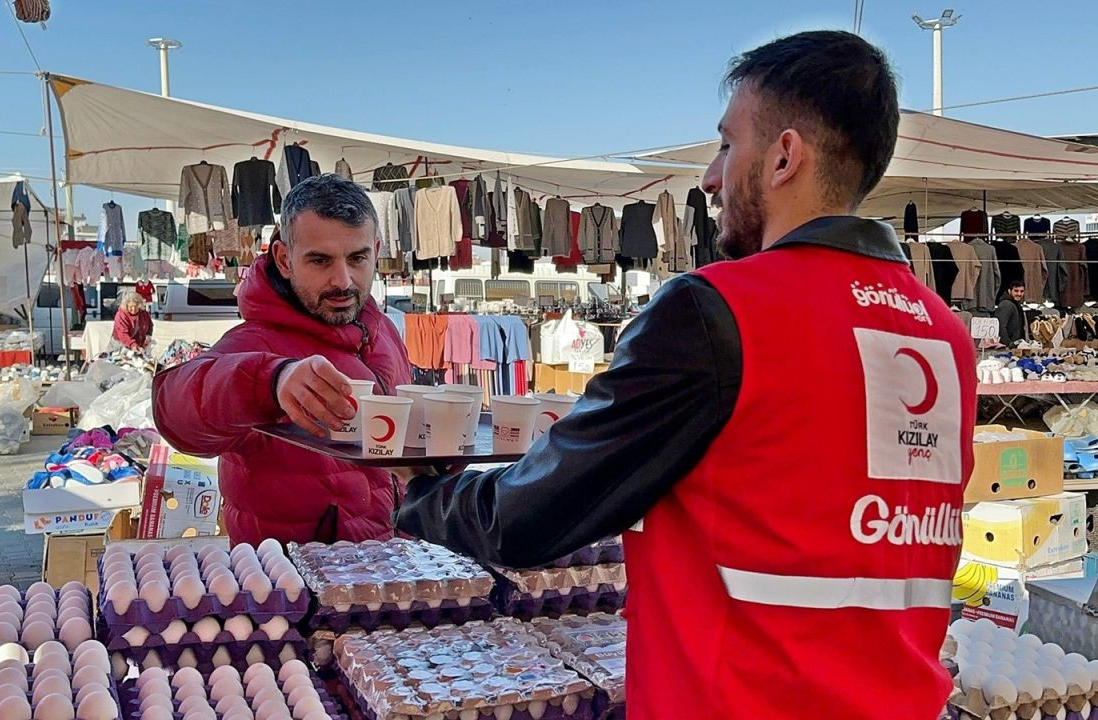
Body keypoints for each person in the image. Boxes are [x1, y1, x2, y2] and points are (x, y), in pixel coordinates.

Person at [396, 30, 976, 719]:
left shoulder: (719, 312)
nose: (710, 176)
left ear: (785, 156)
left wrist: (420, 493)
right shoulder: (940, 331)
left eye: (728, 145)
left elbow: (531, 518)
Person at [154, 174, 410, 545]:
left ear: (377, 250)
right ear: (284, 259)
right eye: (320, 260)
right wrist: (270, 382)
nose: (343, 280)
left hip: (395, 576)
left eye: (357, 258)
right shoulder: (253, 342)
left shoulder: (383, 332)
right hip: (293, 591)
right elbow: (174, 412)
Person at [994, 280, 1028, 346]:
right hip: (1008, 347)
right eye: (1016, 291)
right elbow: (1000, 326)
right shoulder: (1006, 304)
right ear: (1009, 291)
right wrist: (1008, 344)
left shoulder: (1016, 305)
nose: (1019, 294)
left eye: (1021, 291)